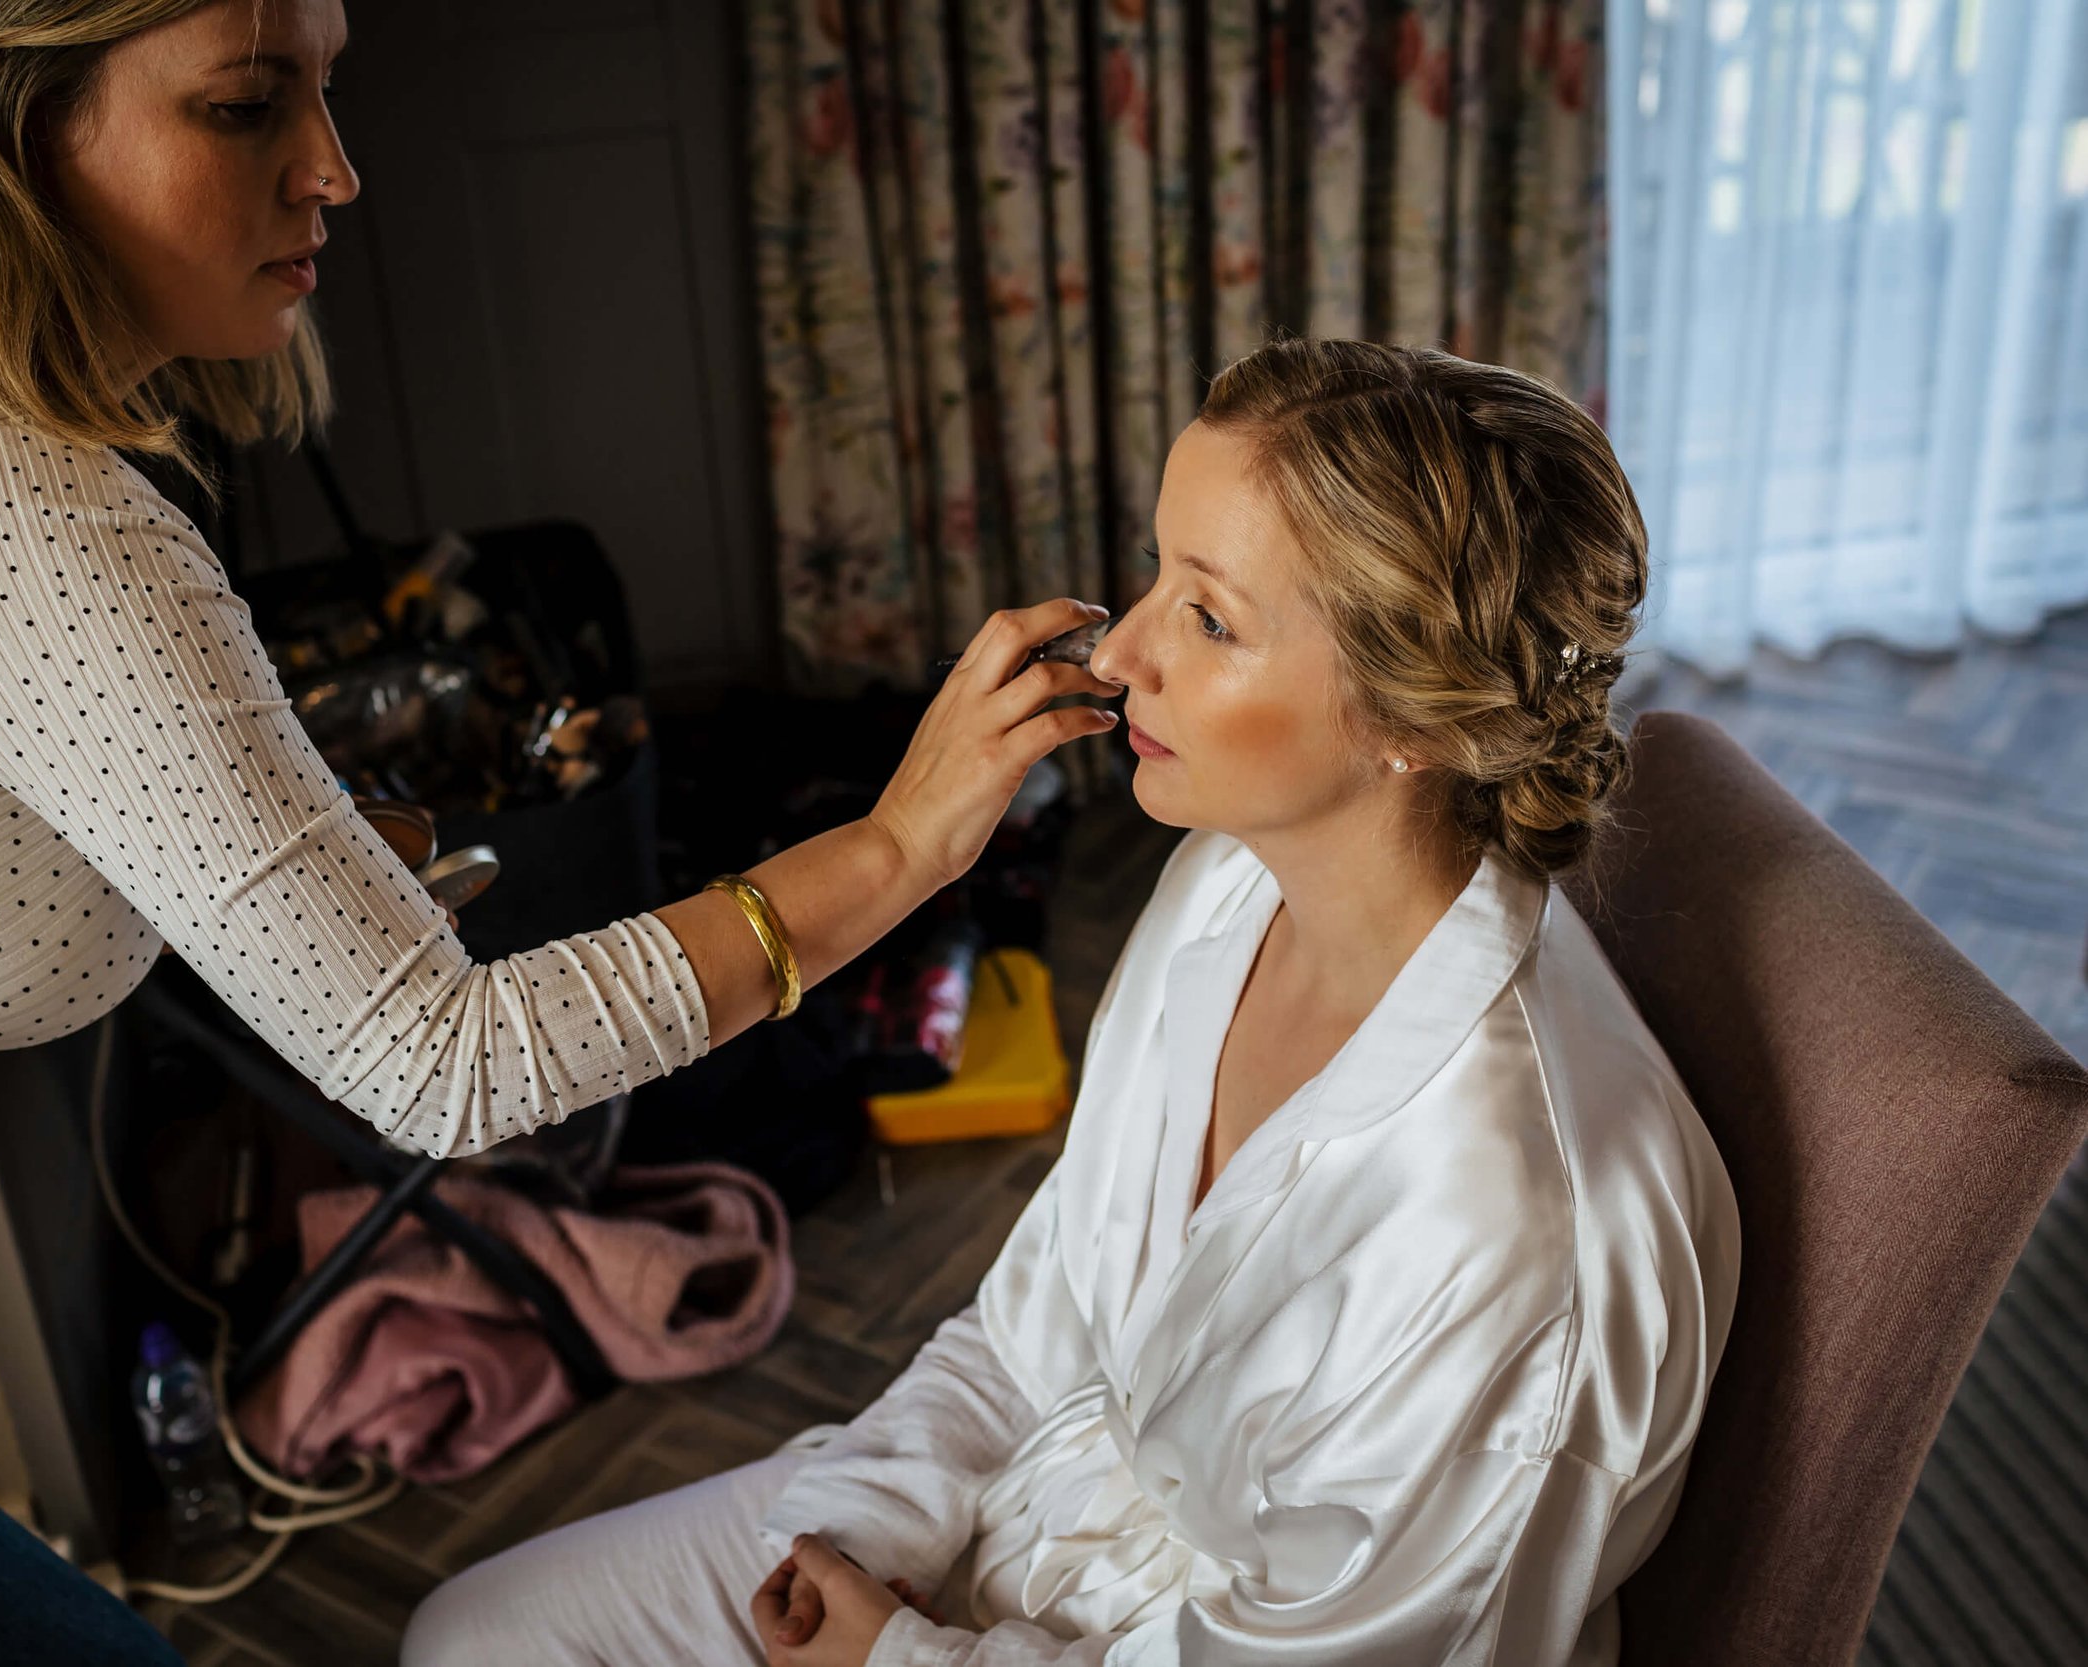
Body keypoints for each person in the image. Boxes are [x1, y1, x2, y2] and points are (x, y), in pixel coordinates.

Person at [0, 2, 1122, 1662]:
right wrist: (897, 850)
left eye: (329, 87)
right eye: (249, 106)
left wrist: (253, 864)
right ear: (6, 104)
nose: (335, 170)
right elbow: (443, 1068)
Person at [399, 338, 1745, 1666]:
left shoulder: (1515, 1231)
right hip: (1024, 1513)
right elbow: (1041, 1317)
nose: (1121, 652)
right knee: (469, 1637)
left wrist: (901, 1663)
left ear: (1413, 720)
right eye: (1159, 572)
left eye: (1210, 617)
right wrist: (872, 1525)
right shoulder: (1222, 890)